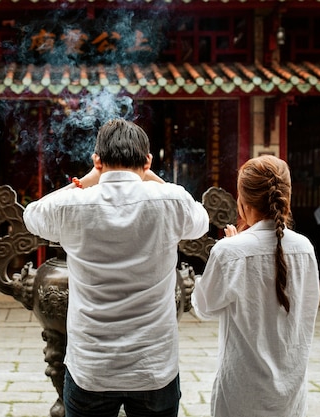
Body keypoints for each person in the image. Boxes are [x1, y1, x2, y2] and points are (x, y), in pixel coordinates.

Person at [23, 118, 209, 417]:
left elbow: (32, 216)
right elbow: (201, 221)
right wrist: (155, 179)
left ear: (97, 160)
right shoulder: (172, 200)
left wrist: (85, 181)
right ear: (147, 160)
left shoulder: (73, 204)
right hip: (154, 364)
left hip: (92, 365)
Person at [191, 155, 320, 417]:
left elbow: (204, 307)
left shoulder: (229, 251)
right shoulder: (305, 249)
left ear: (242, 200)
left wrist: (229, 251)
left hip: (241, 393)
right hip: (290, 393)